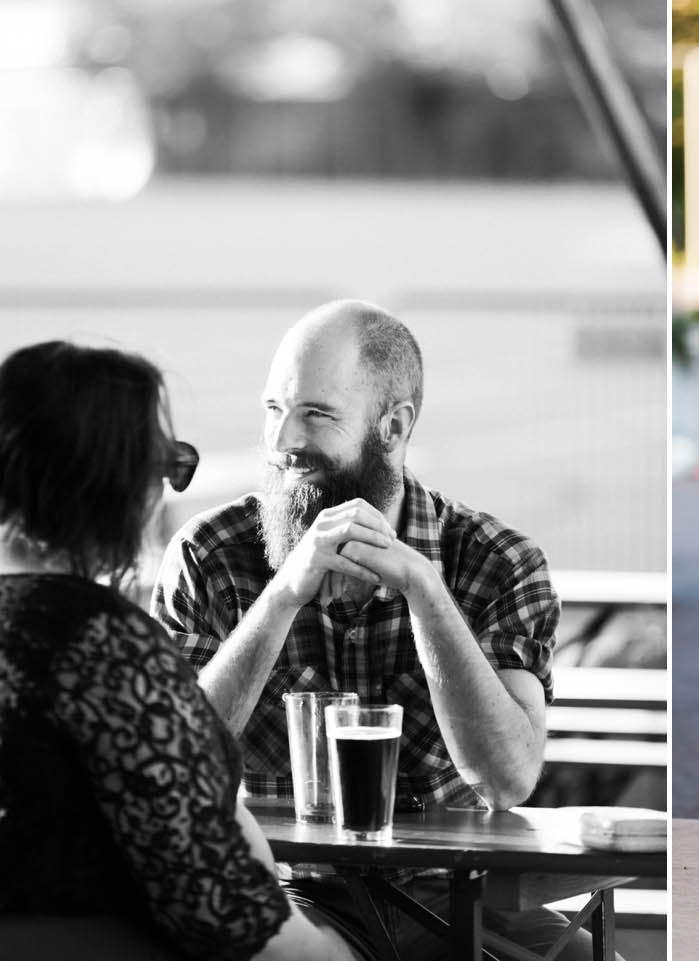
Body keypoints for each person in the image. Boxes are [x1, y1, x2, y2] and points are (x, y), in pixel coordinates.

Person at [151, 301, 598, 961]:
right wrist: (281, 596)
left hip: (455, 899)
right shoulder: (209, 554)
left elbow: (507, 778)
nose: (281, 443)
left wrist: (426, 591)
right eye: (273, 409)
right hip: (278, 894)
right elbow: (170, 762)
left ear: (393, 426)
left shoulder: (497, 560)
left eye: (315, 414)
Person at [0, 341, 355, 961]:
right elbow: (217, 908)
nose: (162, 495)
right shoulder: (91, 636)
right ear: (106, 482)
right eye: (161, 469)